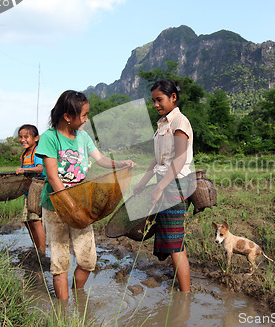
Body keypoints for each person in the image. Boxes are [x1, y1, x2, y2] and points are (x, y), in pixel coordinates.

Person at [36, 90, 136, 300]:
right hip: (57, 206)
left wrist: (121, 164)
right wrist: (70, 206)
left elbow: (100, 160)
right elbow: (53, 178)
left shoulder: (83, 137)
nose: (86, 119)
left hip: (80, 204)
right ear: (67, 116)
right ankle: (64, 312)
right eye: (83, 115)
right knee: (60, 262)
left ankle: (77, 297)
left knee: (88, 261)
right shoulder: (49, 138)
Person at [133, 79, 193, 292]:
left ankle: (185, 296)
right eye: (153, 101)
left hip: (175, 185)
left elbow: (179, 159)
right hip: (165, 181)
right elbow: (158, 159)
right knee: (175, 239)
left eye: (159, 100)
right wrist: (142, 182)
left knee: (174, 242)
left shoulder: (180, 122)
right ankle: (184, 291)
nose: (156, 104)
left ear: (173, 98)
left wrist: (159, 188)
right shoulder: (162, 125)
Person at [15, 124, 46, 255]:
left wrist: (25, 170)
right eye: (20, 137)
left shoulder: (37, 152)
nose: (23, 140)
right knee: (27, 221)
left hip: (38, 190)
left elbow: (40, 168)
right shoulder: (24, 155)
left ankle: (42, 251)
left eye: (26, 137)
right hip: (28, 191)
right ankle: (36, 247)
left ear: (36, 138)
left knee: (35, 220)